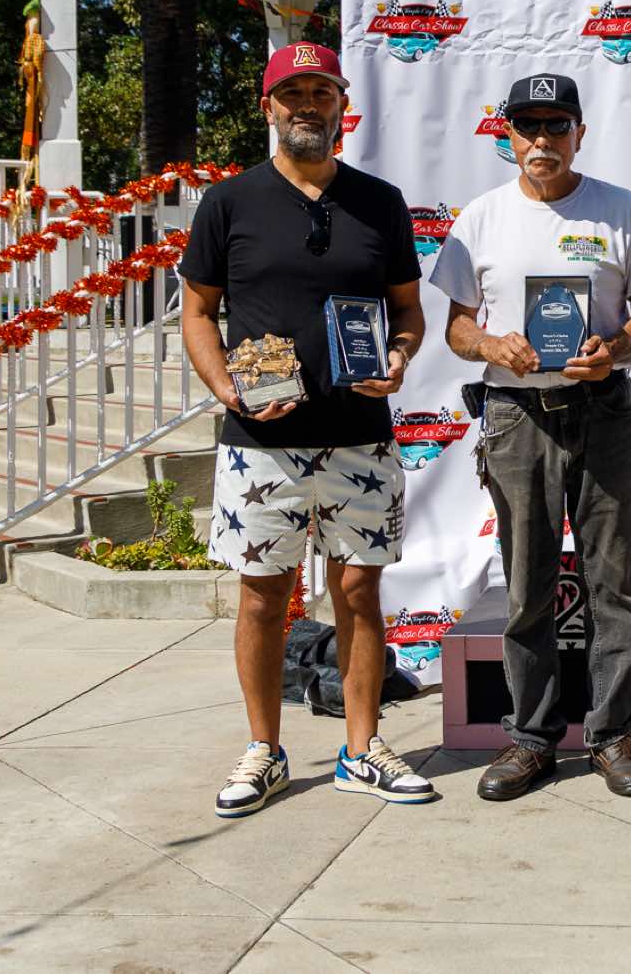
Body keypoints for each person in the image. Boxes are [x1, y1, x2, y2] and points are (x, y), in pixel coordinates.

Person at [179, 41, 436, 818]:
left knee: (359, 591)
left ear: (341, 106)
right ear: (268, 107)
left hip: (360, 435)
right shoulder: (228, 202)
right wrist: (227, 389)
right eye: (292, 94)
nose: (308, 107)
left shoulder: (380, 202)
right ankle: (264, 749)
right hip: (262, 444)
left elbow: (408, 309)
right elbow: (198, 312)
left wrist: (398, 357)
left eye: (321, 93)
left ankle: (363, 748)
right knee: (263, 597)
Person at [428, 73, 631, 802]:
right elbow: (456, 327)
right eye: (527, 126)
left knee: (613, 577)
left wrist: (616, 345)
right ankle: (531, 737)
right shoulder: (481, 217)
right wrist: (491, 345)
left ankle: (610, 734)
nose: (542, 140)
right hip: (517, 414)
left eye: (556, 125)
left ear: (579, 134)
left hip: (601, 406)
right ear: (507, 136)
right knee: (528, 582)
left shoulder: (619, 208)